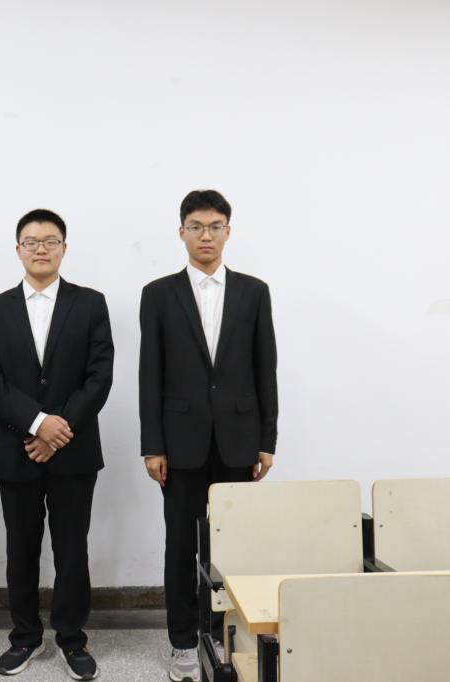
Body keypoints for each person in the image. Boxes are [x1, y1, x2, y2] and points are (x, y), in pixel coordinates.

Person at [138, 189, 278, 682]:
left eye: (215, 227)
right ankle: (182, 641)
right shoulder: (158, 293)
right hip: (179, 444)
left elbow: (265, 368)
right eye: (196, 227)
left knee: (234, 545)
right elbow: (149, 373)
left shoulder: (254, 291)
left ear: (228, 232)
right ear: (182, 232)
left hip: (239, 439)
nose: (206, 236)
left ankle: (226, 635)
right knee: (181, 545)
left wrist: (267, 440)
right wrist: (152, 445)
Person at [0, 209, 114, 680]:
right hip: (18, 448)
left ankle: (73, 639)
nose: (40, 248)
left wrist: (59, 430)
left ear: (64, 249)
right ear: (18, 249)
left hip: (74, 450)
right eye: (31, 241)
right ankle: (25, 637)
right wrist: (36, 424)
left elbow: (99, 376)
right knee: (21, 549)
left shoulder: (90, 303)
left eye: (50, 240)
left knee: (72, 549)